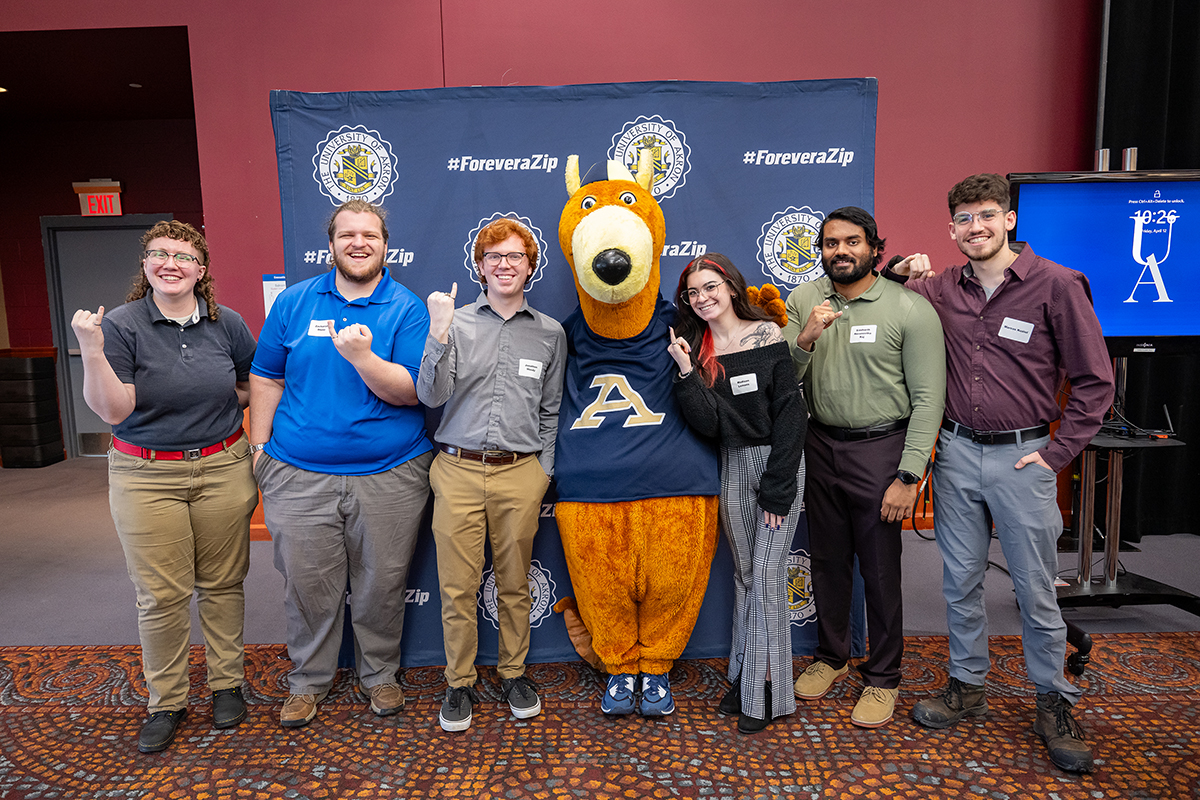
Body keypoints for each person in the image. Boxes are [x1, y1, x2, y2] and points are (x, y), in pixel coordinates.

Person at [891, 174, 1114, 773]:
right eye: (963, 219)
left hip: (1025, 457)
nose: (976, 228)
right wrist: (897, 269)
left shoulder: (1058, 285)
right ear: (951, 229)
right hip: (958, 453)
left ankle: (1053, 699)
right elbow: (892, 292)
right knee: (960, 580)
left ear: (1010, 219)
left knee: (1034, 588)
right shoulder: (941, 289)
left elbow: (1095, 381)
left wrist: (1056, 453)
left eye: (987, 215)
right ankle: (967, 684)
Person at [71, 220, 258, 753]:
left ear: (201, 270)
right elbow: (114, 409)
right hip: (145, 474)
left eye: (183, 256)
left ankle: (227, 686)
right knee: (161, 596)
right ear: (146, 265)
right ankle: (167, 701)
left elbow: (252, 382)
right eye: (159, 254)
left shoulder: (228, 324)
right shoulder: (124, 325)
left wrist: (224, 409)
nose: (170, 263)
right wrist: (91, 348)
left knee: (223, 584)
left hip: (223, 465)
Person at [249, 199, 433, 728]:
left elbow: (413, 392)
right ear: (331, 244)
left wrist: (363, 357)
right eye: (348, 234)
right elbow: (265, 376)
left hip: (391, 473)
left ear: (384, 244)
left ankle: (379, 676)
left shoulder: (406, 307)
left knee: (381, 583)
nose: (359, 243)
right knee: (308, 584)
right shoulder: (294, 302)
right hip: (298, 473)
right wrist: (260, 449)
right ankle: (308, 681)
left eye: (370, 235)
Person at [782, 207, 945, 729]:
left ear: (876, 248)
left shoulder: (909, 309)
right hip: (820, 443)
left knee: (879, 569)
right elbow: (781, 380)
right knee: (827, 561)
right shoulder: (805, 299)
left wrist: (909, 475)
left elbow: (928, 400)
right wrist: (803, 338)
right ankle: (832, 656)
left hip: (882, 449)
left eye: (852, 242)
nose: (840, 252)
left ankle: (883, 677)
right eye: (831, 244)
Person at [416, 218, 566, 732]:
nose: (505, 265)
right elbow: (430, 396)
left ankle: (514, 673)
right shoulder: (453, 322)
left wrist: (542, 472)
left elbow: (551, 411)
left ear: (530, 266)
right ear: (480, 267)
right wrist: (436, 335)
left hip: (520, 473)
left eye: (515, 257)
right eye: (494, 257)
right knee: (456, 587)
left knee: (514, 583)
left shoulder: (550, 333)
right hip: (456, 469)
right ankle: (458, 683)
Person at [666, 254, 807, 735]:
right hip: (732, 464)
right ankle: (744, 676)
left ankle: (769, 691)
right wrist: (686, 370)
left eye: (711, 287)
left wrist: (778, 488)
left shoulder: (766, 334)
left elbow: (791, 414)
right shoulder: (698, 346)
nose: (703, 298)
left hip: (777, 464)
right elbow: (710, 424)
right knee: (747, 576)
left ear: (729, 287)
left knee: (767, 577)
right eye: (693, 293)